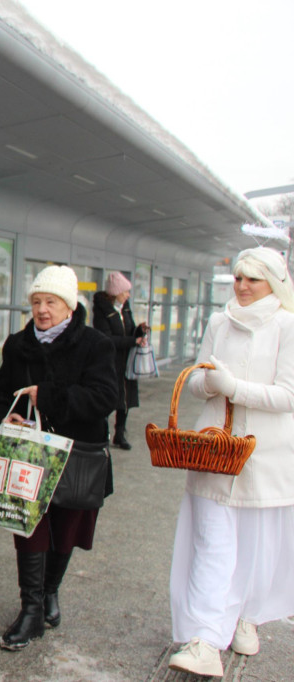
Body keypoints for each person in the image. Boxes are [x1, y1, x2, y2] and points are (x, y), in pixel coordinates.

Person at [167, 246, 294, 676]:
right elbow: (199, 378)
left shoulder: (287, 326)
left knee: (256, 550)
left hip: (266, 457)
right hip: (214, 450)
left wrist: (234, 386)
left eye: (251, 279)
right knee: (212, 544)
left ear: (272, 283)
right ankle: (204, 638)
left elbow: (289, 396)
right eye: (237, 277)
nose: (240, 286)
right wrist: (207, 383)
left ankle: (246, 616)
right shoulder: (219, 321)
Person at [0, 265, 117, 651]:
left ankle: (51, 591)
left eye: (50, 302)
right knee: (28, 526)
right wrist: (5, 415)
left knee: (66, 527)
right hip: (28, 454)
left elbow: (107, 397)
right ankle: (32, 610)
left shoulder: (95, 344)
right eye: (37, 302)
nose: (42, 310)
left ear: (68, 306)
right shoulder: (18, 344)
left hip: (78, 454)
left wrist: (49, 397)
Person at [91, 271, 149, 450]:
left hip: (127, 361)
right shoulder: (102, 311)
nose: (128, 295)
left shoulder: (125, 307)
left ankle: (120, 433)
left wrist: (139, 331)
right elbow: (106, 339)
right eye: (125, 292)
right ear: (116, 292)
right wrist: (133, 341)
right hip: (110, 362)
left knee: (125, 400)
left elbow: (128, 330)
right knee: (109, 398)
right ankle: (102, 433)